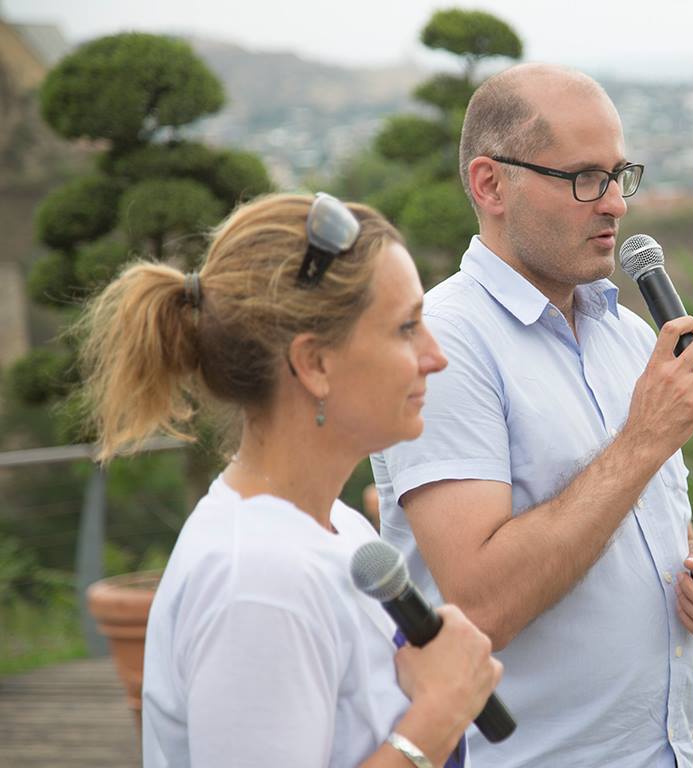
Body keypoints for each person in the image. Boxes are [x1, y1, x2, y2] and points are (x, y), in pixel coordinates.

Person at [371, 63, 693, 767]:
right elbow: (479, 606)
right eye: (584, 178)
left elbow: (637, 512)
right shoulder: (445, 344)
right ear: (491, 185)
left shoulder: (629, 334)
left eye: (619, 175)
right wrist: (643, 440)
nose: (616, 205)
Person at [78, 193, 502, 768]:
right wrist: (437, 717)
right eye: (406, 328)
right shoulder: (259, 582)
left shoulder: (335, 529)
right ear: (315, 364)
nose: (436, 356)